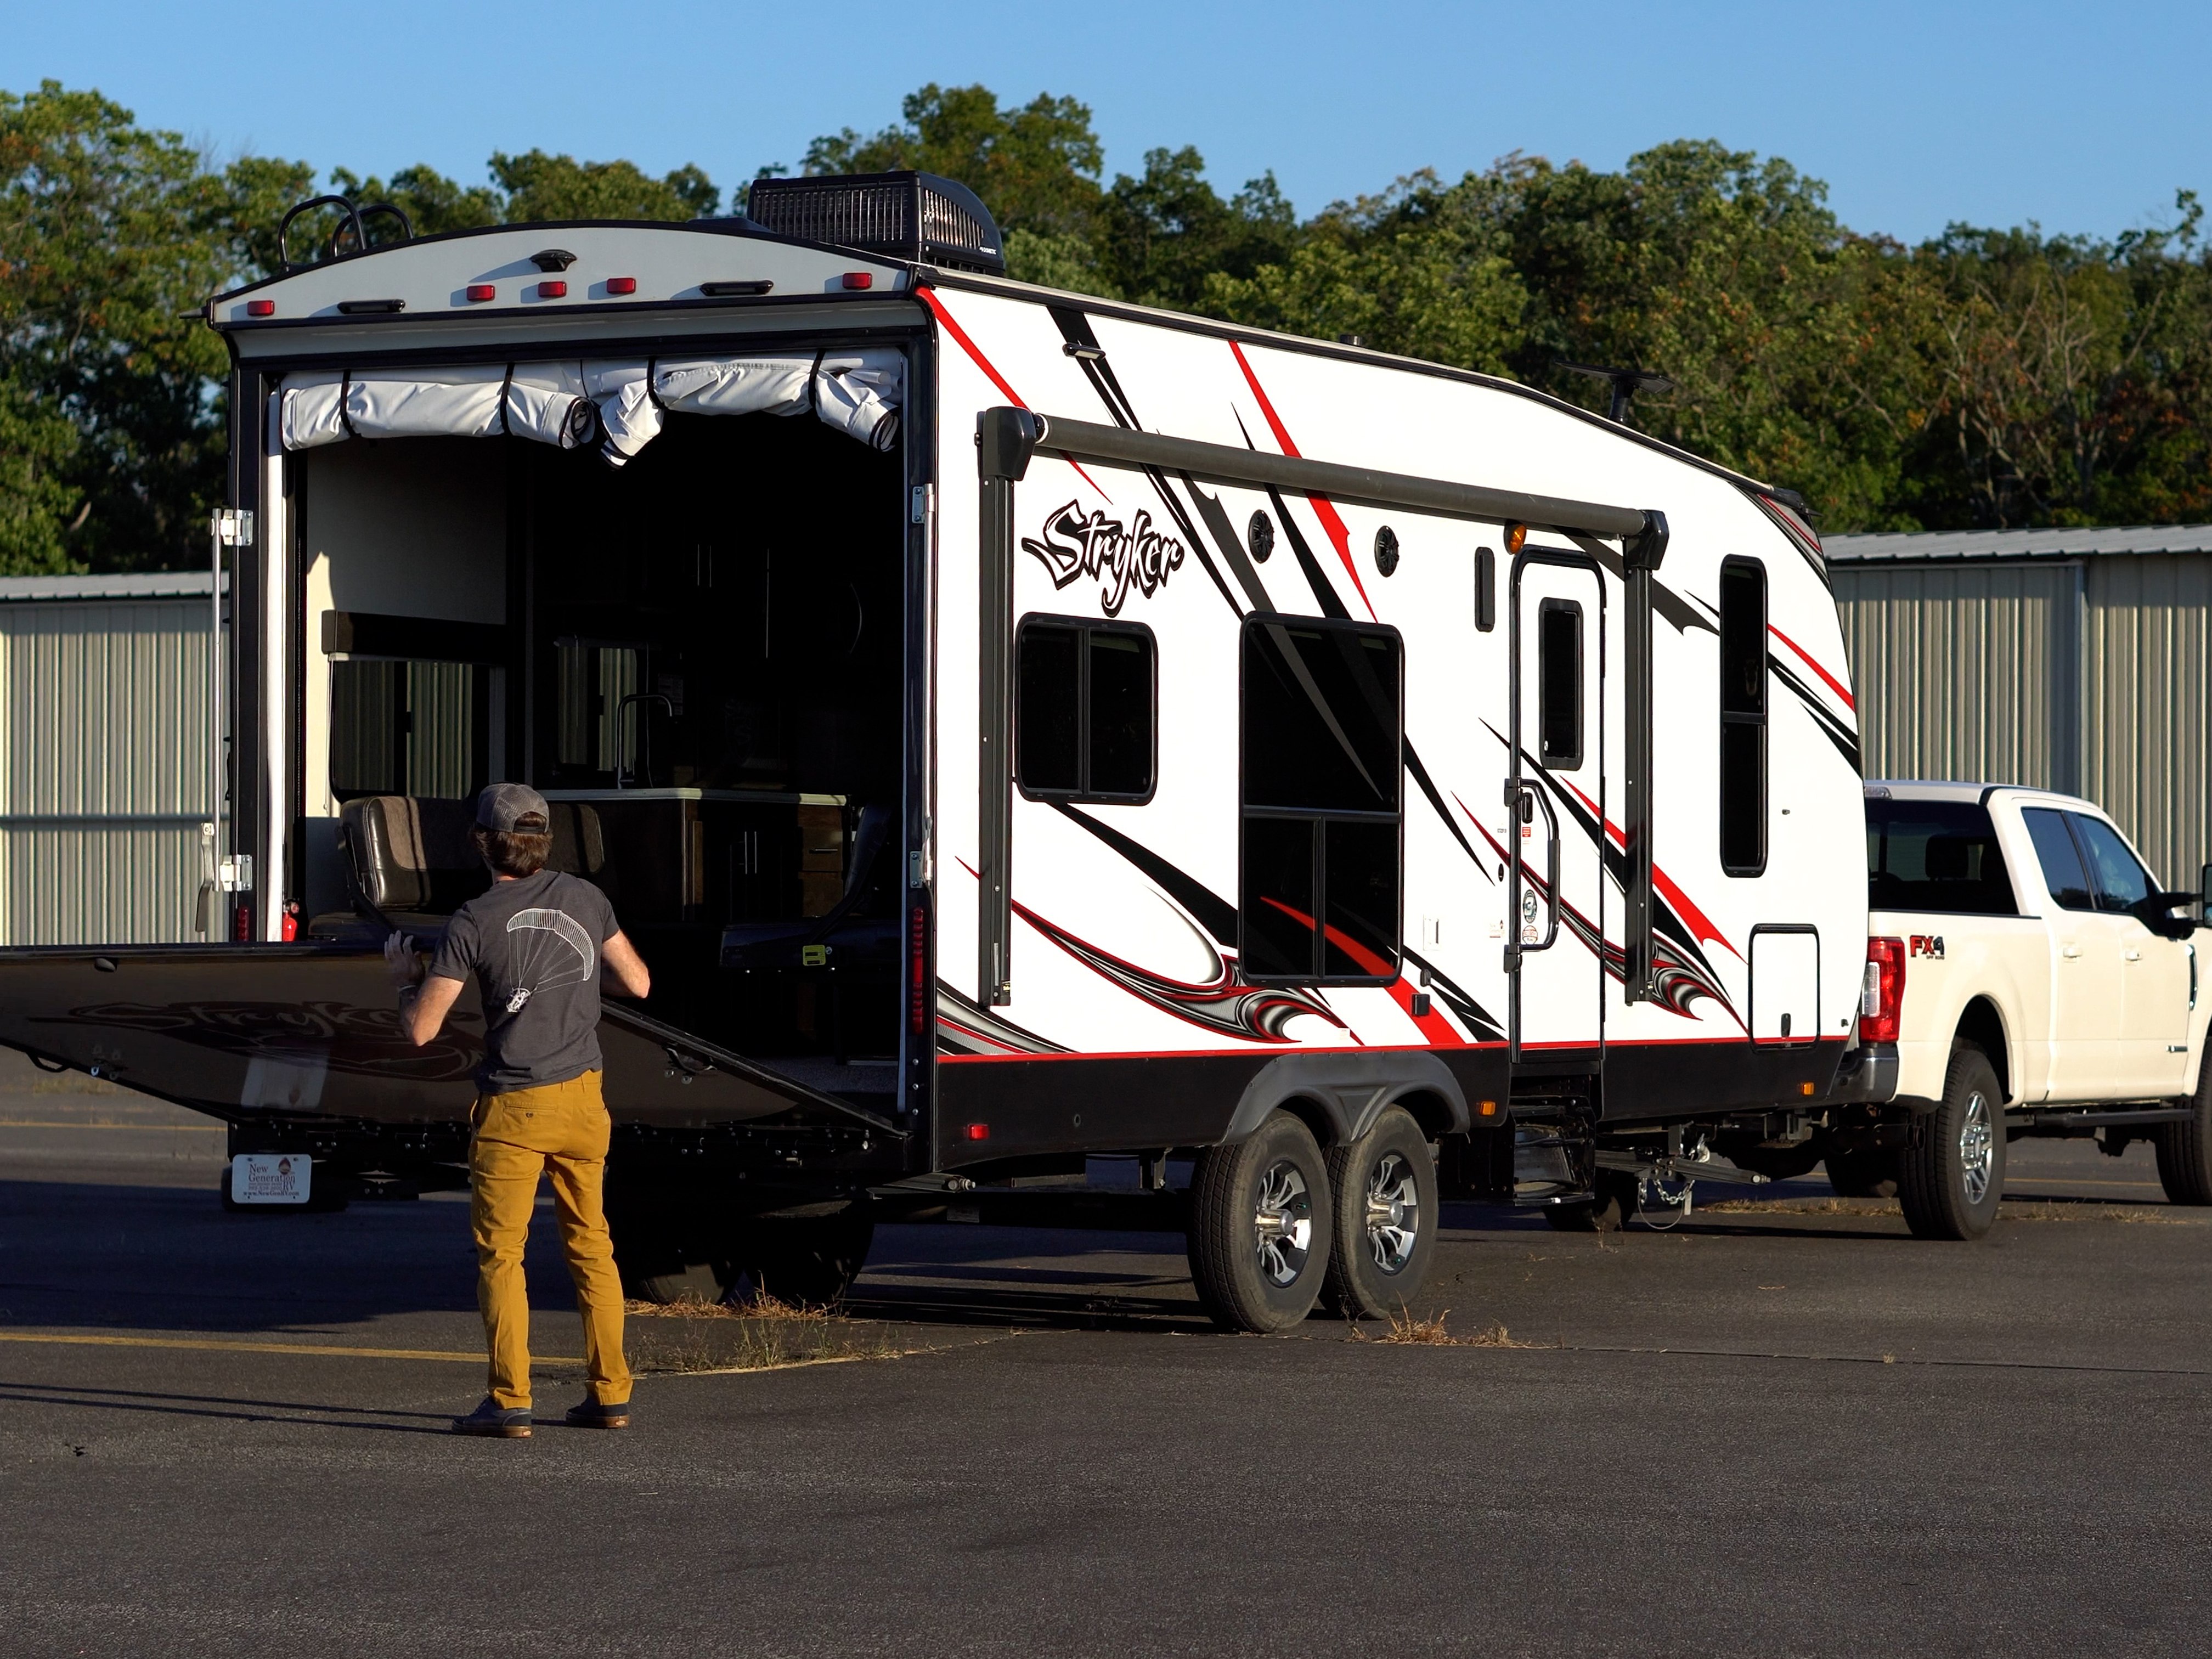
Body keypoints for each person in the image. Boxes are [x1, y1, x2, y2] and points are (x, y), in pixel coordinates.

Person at [383, 782, 652, 1439]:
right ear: (545, 843)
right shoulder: (587, 900)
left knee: (503, 1256)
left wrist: (403, 979)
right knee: (593, 1248)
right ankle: (610, 1393)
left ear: (482, 842)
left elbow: (422, 1029)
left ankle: (511, 1400)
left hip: (514, 1108)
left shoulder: (473, 921)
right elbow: (639, 982)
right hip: (585, 1100)